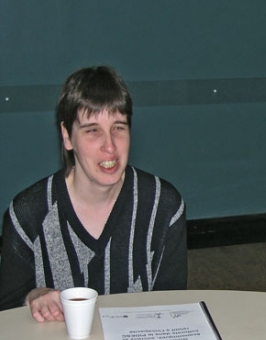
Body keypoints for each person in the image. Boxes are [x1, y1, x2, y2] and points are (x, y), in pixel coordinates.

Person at [0, 66, 188, 321]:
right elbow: (7, 314)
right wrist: (31, 298)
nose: (109, 146)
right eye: (92, 131)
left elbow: (173, 307)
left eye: (118, 127)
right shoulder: (28, 215)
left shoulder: (163, 208)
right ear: (67, 136)